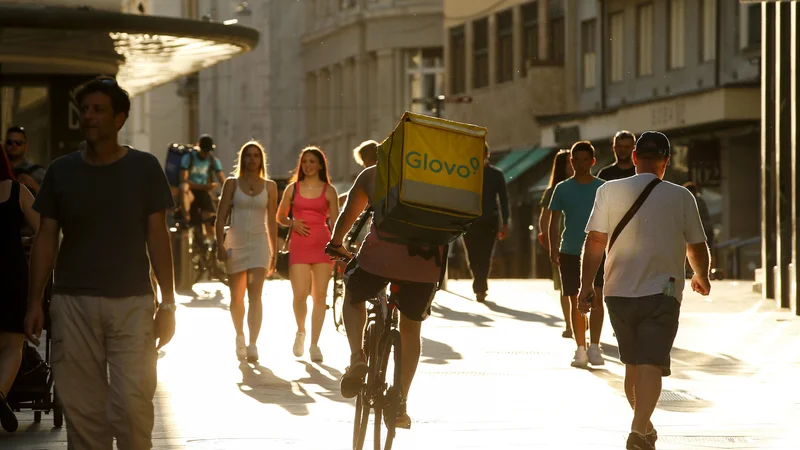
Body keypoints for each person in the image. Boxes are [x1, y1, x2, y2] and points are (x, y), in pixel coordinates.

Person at [24, 76, 176, 449]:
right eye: (84, 110)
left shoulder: (144, 168)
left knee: (132, 408)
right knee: (83, 415)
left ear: (120, 119)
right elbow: (46, 237)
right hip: (72, 304)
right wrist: (34, 301)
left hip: (132, 303)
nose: (88, 117)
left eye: (98, 110)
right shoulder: (62, 171)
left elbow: (158, 236)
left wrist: (168, 302)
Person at [579, 131, 710, 450]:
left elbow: (595, 241)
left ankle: (644, 428)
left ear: (635, 157)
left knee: (633, 364)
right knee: (652, 362)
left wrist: (585, 286)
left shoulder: (608, 190)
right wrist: (701, 275)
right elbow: (696, 245)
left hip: (617, 291)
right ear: (667, 161)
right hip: (663, 292)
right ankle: (639, 429)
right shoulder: (682, 196)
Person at [325, 164, 445, 429]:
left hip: (379, 260)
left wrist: (336, 243)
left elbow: (349, 214)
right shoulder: (440, 172)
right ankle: (400, 402)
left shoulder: (374, 173)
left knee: (353, 296)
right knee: (411, 328)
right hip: (425, 263)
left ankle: (357, 357)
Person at [215, 141, 278, 362]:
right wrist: (219, 244)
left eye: (256, 156)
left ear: (261, 160)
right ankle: (239, 336)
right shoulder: (232, 183)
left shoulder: (270, 186)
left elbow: (271, 220)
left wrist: (274, 252)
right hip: (235, 242)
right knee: (236, 297)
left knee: (256, 295)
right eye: (248, 155)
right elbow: (221, 216)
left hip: (260, 244)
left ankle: (253, 344)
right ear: (243, 159)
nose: (252, 159)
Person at [276, 146, 340, 362]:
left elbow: (336, 222)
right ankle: (301, 331)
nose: (308, 165)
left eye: (312, 161)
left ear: (321, 164)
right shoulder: (292, 189)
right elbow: (280, 217)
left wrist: (339, 245)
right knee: (300, 296)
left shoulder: (329, 191)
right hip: (299, 245)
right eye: (305, 162)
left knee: (320, 296)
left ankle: (314, 344)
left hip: (323, 245)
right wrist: (292, 223)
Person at [547, 141, 605, 368]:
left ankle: (594, 345)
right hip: (570, 250)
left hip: (598, 250)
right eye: (576, 160)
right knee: (574, 298)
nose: (580, 164)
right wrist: (553, 249)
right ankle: (580, 348)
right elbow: (553, 222)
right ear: (570, 162)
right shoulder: (562, 188)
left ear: (592, 161)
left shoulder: (603, 188)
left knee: (597, 296)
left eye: (585, 160)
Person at [0, 146, 39, 432]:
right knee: (13, 345)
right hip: (12, 274)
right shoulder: (17, 191)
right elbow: (45, 229)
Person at [462, 143, 509, 302]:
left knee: (486, 255)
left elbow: (504, 199)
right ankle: (479, 282)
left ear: (487, 154)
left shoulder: (496, 174)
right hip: (469, 221)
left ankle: (480, 287)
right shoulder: (466, 173)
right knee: (472, 255)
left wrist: (505, 223)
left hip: (490, 220)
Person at [538, 149, 574, 338]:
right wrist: (548, 239)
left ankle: (580, 319)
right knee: (564, 287)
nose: (572, 165)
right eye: (568, 163)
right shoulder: (553, 190)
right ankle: (569, 323)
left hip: (580, 242)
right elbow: (545, 217)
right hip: (560, 243)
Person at [179, 134, 226, 235]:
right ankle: (187, 217)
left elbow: (222, 179)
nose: (206, 154)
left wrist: (228, 193)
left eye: (208, 151)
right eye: (204, 151)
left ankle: (211, 244)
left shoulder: (213, 160)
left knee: (211, 219)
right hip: (191, 190)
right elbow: (184, 180)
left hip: (204, 192)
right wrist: (204, 186)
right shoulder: (189, 158)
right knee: (183, 187)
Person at [4, 126, 47, 194]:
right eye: (9, 142)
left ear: (25, 146)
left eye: (18, 142)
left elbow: (50, 199)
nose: (13, 145)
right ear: (5, 145)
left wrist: (34, 186)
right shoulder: (2, 169)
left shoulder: (39, 172)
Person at [339, 140, 379, 209]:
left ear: (366, 159)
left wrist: (331, 202)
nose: (363, 165)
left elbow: (353, 195)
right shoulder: (388, 171)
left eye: (363, 161)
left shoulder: (369, 175)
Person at [682, 182, 714, 259]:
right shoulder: (700, 199)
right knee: (708, 252)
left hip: (701, 229)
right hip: (707, 228)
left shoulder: (692, 200)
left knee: (694, 253)